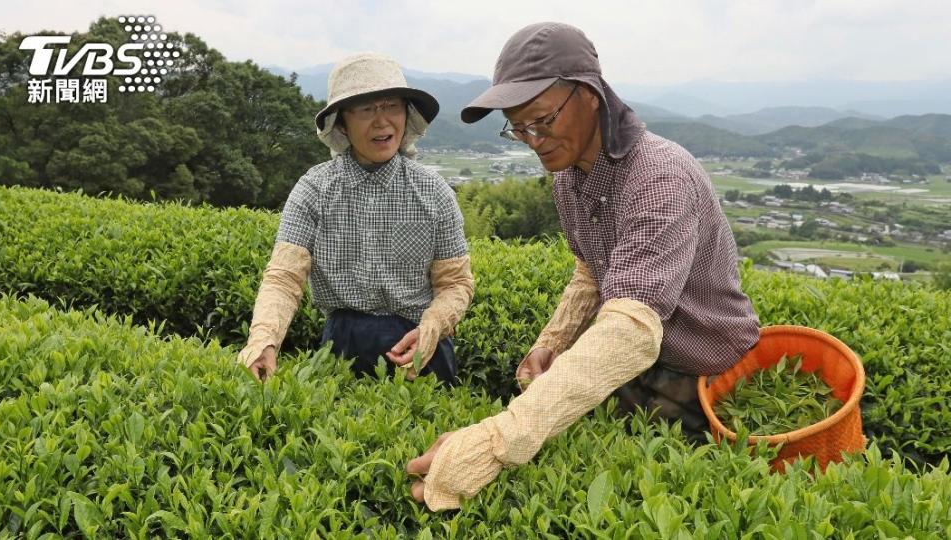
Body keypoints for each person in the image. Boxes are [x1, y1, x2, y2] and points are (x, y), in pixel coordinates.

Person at [406, 22, 760, 511]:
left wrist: (490, 446)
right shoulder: (570, 172)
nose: (532, 139)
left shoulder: (658, 178)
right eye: (517, 127)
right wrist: (553, 344)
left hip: (702, 373)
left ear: (590, 94)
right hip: (635, 366)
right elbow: (591, 272)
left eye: (542, 119)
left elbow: (633, 328)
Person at [237, 53, 474, 385]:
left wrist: (432, 327)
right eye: (365, 109)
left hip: (422, 348)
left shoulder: (434, 192)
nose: (381, 122)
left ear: (407, 114)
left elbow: (455, 283)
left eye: (391, 106)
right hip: (344, 344)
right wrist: (264, 340)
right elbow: (283, 277)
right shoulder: (314, 189)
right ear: (342, 123)